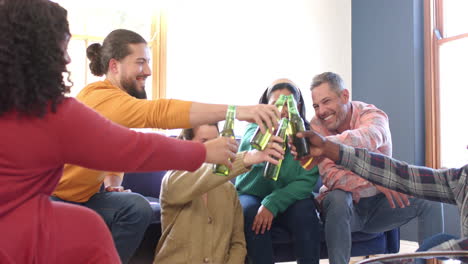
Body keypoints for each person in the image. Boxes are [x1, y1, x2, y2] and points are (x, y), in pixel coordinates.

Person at [0, 0, 238, 263]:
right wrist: (205, 148)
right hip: (46, 203)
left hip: (75, 199)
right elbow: (137, 141)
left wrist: (113, 182)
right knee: (88, 229)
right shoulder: (72, 107)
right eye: (59, 49)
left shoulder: (42, 107)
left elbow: (109, 149)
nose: (67, 58)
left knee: (132, 208)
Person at [50, 29, 280, 263]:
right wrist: (237, 111)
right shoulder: (100, 98)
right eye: (140, 63)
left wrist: (112, 183)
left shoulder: (118, 107)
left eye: (148, 62)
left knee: (136, 208)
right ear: (114, 66)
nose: (148, 71)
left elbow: (112, 153)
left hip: (87, 197)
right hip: (52, 196)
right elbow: (159, 112)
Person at [307, 72, 439, 264]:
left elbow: (370, 137)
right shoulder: (316, 125)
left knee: (431, 196)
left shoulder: (372, 115)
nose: (321, 111)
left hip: (380, 207)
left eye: (326, 101)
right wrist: (377, 179)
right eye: (316, 105)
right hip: (345, 210)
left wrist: (325, 144)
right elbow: (332, 176)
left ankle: (425, 261)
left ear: (344, 96)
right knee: (338, 196)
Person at [295, 129, 468, 251]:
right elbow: (401, 175)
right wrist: (329, 148)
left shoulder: (371, 115)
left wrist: (451, 248)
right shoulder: (461, 180)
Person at [155, 123, 285, 263]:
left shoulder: (229, 190)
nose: (213, 147)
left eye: (216, 141)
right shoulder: (173, 179)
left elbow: (238, 244)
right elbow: (205, 175)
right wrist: (248, 157)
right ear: (187, 145)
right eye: (204, 142)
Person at [235, 79, 321, 264]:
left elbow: (306, 182)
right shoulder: (252, 129)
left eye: (287, 104)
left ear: (297, 106)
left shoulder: (307, 136)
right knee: (250, 212)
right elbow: (244, 171)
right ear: (266, 106)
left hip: (287, 197)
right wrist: (269, 131)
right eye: (275, 104)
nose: (281, 110)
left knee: (305, 211)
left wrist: (272, 203)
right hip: (251, 194)